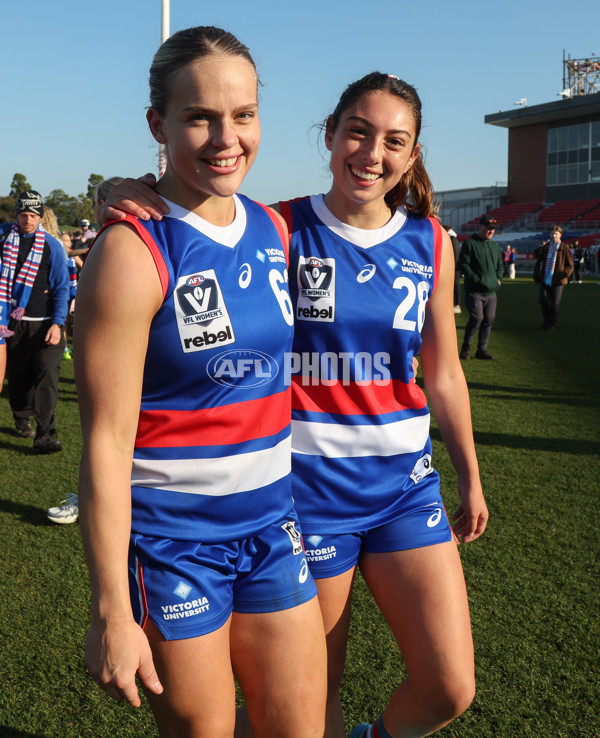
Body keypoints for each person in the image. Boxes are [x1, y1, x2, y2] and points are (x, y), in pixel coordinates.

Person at [105, 70, 489, 738]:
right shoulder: (279, 226)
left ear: (414, 154)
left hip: (405, 489)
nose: (372, 153)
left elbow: (445, 374)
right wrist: (122, 190)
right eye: (358, 133)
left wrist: (470, 473)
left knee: (450, 686)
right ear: (331, 136)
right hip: (306, 496)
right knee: (312, 702)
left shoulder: (432, 242)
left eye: (394, 141)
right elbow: (200, 211)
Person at [74, 26, 326, 738]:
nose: (226, 137)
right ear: (158, 124)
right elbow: (104, 444)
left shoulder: (274, 229)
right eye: (198, 117)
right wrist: (110, 613)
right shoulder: (132, 251)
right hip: (172, 546)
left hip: (273, 529)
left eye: (242, 114)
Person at [46, 177, 122, 524]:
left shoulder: (120, 241)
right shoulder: (108, 241)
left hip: (116, 353)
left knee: (104, 435)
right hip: (111, 349)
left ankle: (92, 501)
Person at [0, 191, 69, 452]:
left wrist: (58, 323)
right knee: (18, 378)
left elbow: (62, 288)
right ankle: (20, 415)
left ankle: (45, 433)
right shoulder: (5, 240)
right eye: (22, 214)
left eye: (32, 215)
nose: (27, 220)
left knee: (47, 377)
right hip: (13, 324)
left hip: (46, 324)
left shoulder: (51, 245)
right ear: (16, 215)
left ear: (40, 217)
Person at [458, 214, 503, 360]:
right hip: (475, 291)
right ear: (481, 227)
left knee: (489, 319)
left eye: (493, 229)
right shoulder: (470, 244)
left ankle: (481, 350)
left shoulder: (494, 246)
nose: (491, 231)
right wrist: (475, 279)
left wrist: (499, 279)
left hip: (491, 291)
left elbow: (499, 265)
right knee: (477, 317)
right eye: (488, 228)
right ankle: (466, 347)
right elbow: (464, 264)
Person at [533, 225, 573, 331]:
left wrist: (563, 274)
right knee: (543, 300)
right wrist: (537, 276)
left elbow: (570, 266)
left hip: (558, 281)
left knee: (555, 304)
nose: (554, 235)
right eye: (552, 233)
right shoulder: (546, 248)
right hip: (545, 279)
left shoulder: (565, 248)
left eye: (556, 233)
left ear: (560, 235)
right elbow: (539, 261)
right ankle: (548, 321)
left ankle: (550, 325)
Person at [443, 223, 461, 312]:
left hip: (454, 267)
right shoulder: (454, 239)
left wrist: (451, 267)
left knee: (455, 286)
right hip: (454, 266)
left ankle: (457, 305)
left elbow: (455, 255)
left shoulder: (453, 239)